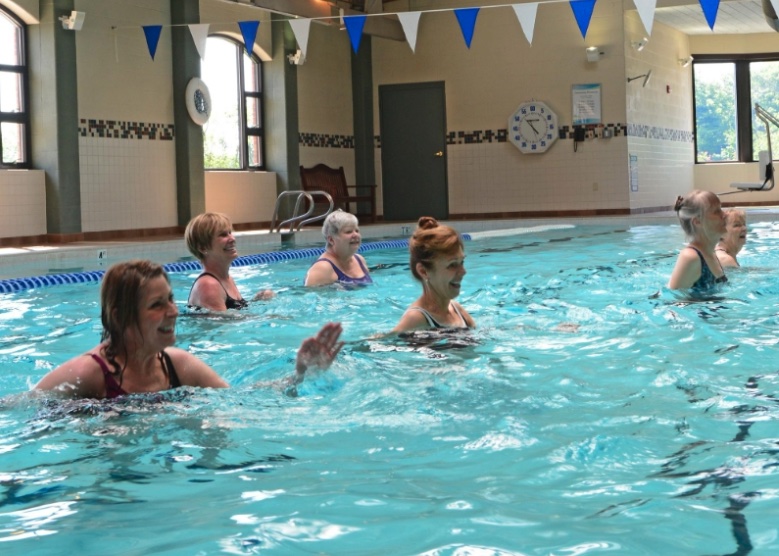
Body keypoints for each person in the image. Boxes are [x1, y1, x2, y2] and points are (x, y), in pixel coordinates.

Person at [34, 260, 343, 399]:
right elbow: (21, 410)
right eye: (157, 305)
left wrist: (301, 374)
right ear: (121, 316)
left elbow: (239, 399)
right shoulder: (89, 373)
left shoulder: (176, 365)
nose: (173, 311)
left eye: (170, 299)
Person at [392, 216, 476, 332]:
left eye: (462, 262)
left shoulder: (456, 310)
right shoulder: (416, 318)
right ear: (423, 271)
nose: (463, 271)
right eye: (452, 265)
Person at [185, 212, 274, 311]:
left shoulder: (226, 279)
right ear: (203, 247)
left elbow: (233, 312)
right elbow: (223, 324)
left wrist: (256, 301)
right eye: (223, 235)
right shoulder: (208, 285)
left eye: (230, 232)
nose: (232, 238)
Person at [668, 190, 728, 292]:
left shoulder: (710, 252)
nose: (725, 214)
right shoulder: (691, 257)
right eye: (716, 211)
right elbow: (672, 299)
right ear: (697, 221)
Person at [304, 210, 373, 287]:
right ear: (331, 240)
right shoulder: (322, 269)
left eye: (357, 231)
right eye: (348, 232)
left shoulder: (360, 260)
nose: (355, 235)